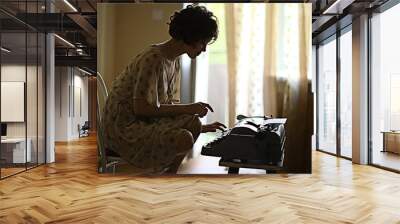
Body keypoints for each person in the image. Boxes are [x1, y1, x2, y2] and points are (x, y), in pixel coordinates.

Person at [102, 4, 226, 174]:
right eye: (202, 42)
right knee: (184, 138)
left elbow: (167, 106)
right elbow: (142, 109)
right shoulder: (153, 59)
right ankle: (166, 177)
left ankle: (167, 176)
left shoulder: (173, 61)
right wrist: (190, 108)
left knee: (194, 122)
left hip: (142, 121)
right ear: (190, 36)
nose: (204, 49)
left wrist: (201, 126)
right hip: (123, 127)